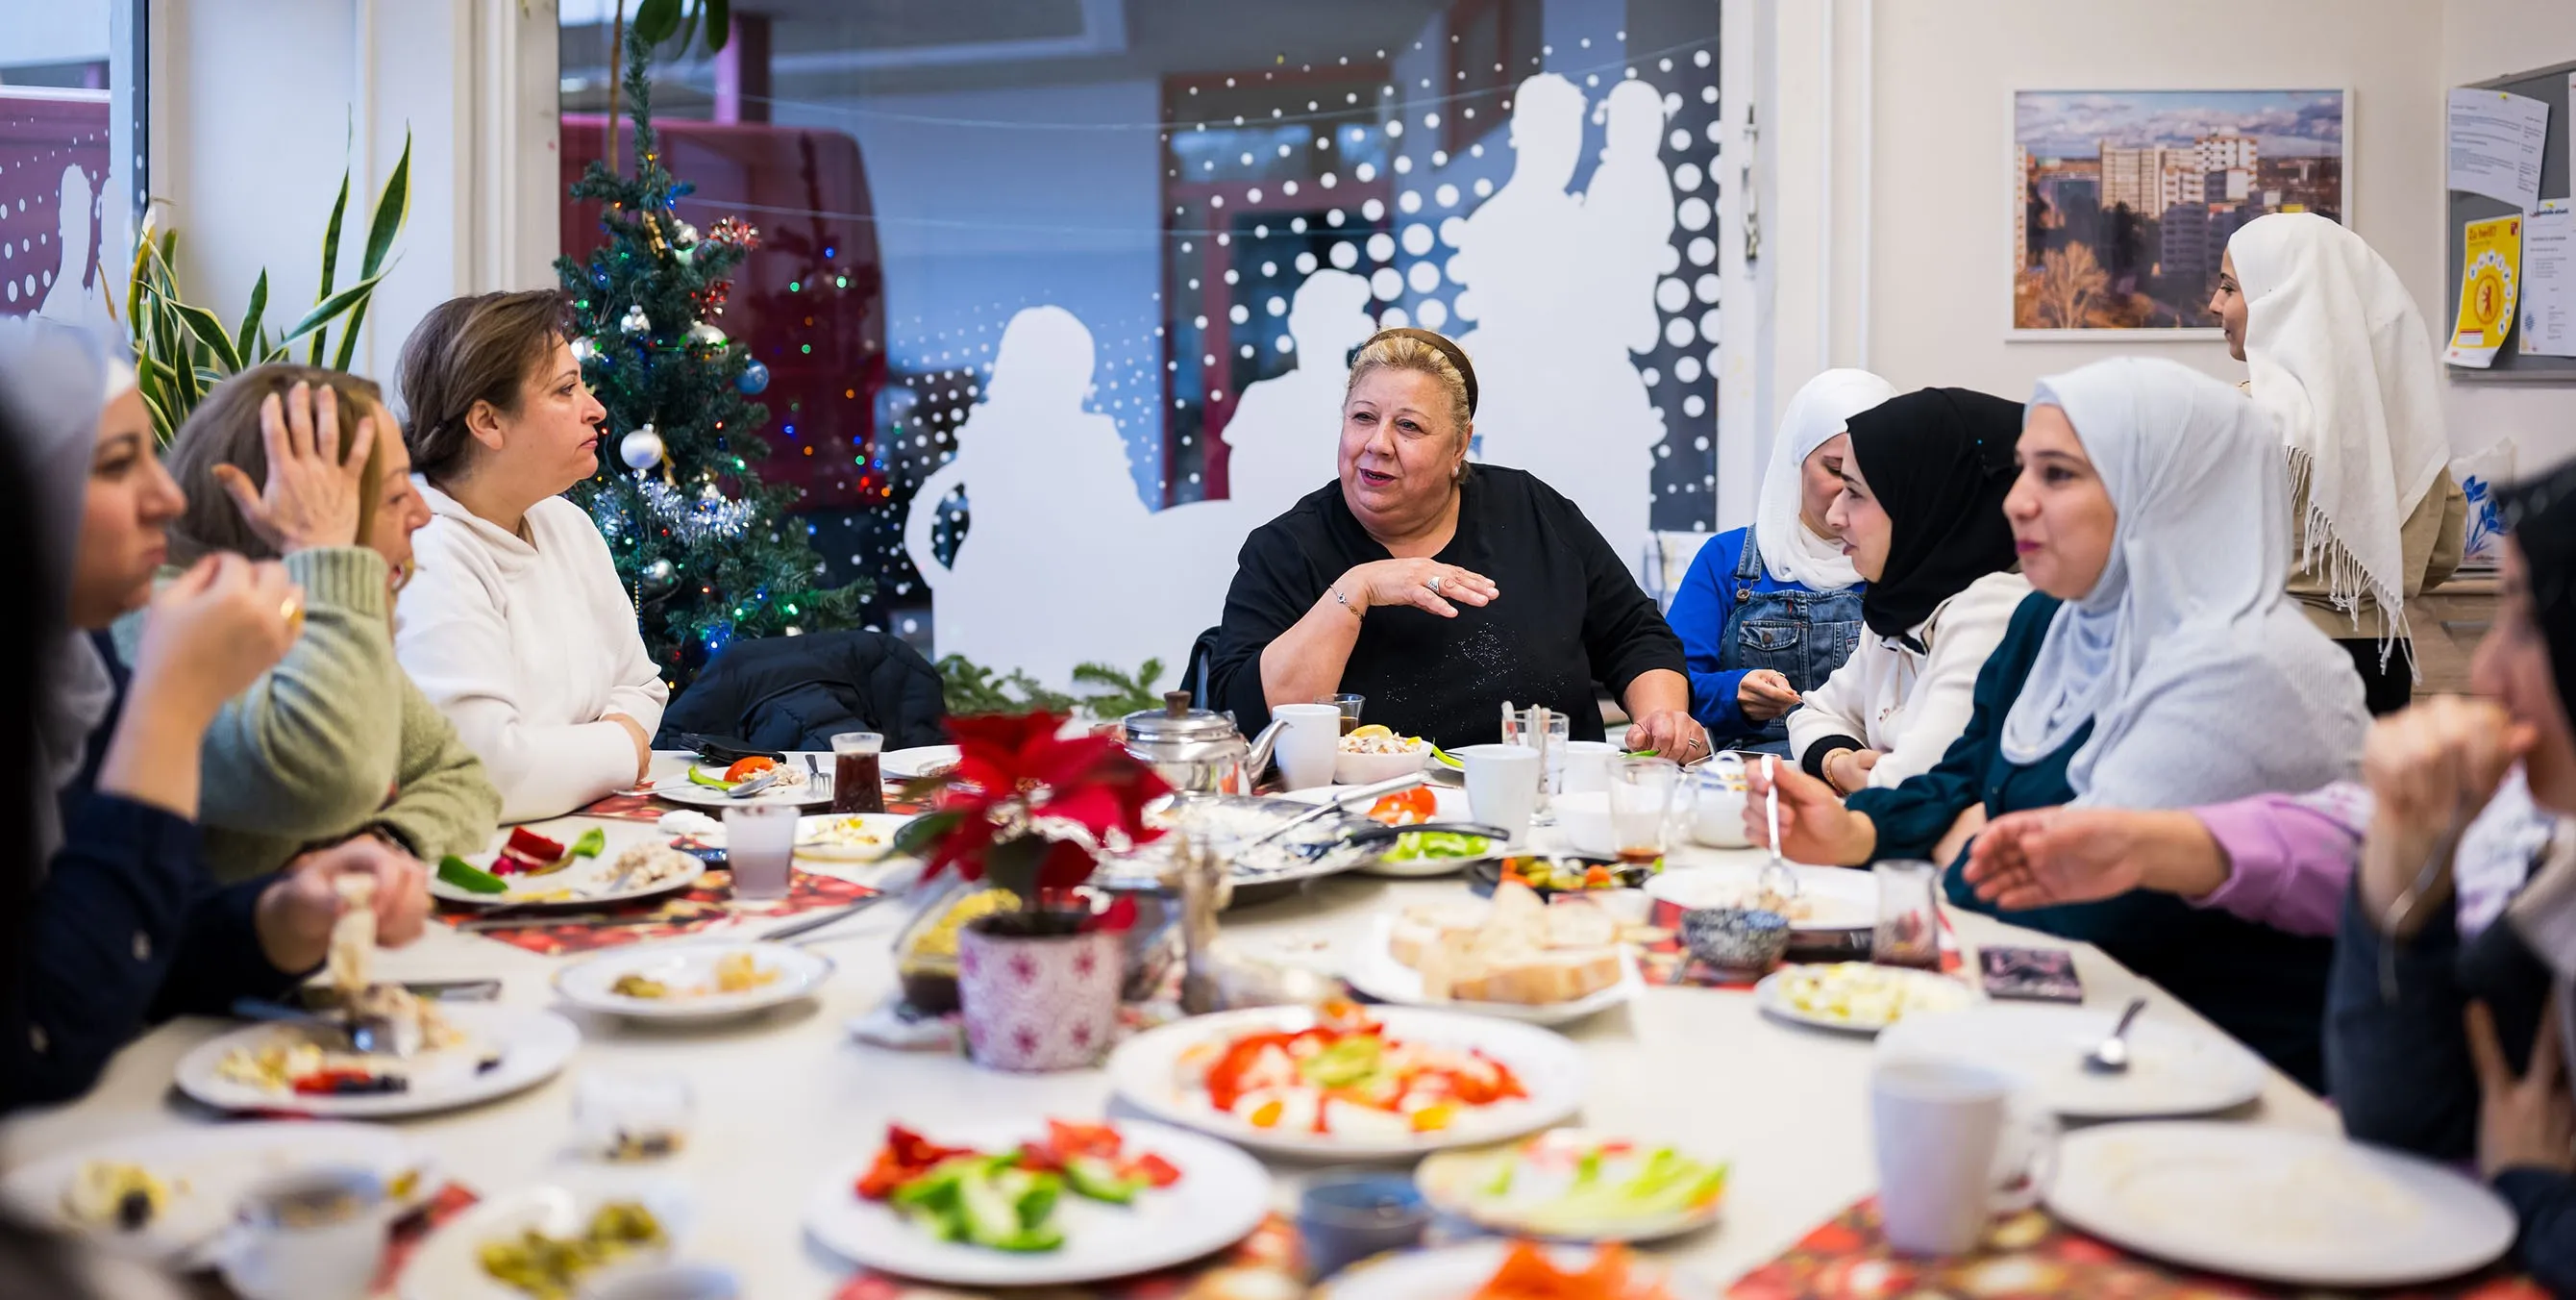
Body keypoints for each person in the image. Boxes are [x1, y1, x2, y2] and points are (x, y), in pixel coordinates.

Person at [1746, 358, 2369, 1087]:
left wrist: (1956, 844)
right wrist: (1859, 830)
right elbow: (1960, 773)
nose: (2015, 503)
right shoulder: (2056, 618)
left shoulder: (2246, 665)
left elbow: (2082, 903)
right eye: (2021, 472)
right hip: (2068, 1031)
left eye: (2059, 475)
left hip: (2220, 1079)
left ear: (2162, 491)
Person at [0, 319, 427, 1113]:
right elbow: (42, 1036)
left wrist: (282, 917)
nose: (167, 495)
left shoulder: (80, 664)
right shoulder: (143, 644)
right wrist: (169, 703)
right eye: (115, 465)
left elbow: (158, 933)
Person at [2309, 462, 2576, 1292]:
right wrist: (2406, 882)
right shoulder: (2556, 872)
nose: (2491, 677)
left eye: (2528, 624)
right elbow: (2405, 1119)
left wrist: (2535, 1195)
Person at [1205, 328, 1701, 756]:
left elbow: (1634, 634)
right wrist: (1357, 589)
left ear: (1459, 446)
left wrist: (1663, 719)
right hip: (1373, 821)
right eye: (1362, 418)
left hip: (1550, 803)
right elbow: (1247, 720)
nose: (1378, 443)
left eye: (1408, 426)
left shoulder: (1529, 509)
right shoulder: (1284, 549)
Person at [108, 366, 499, 882]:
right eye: (395, 493)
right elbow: (334, 780)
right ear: (292, 505)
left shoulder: (297, 607)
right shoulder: (158, 622)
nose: (423, 515)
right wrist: (327, 553)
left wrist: (381, 847)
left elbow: (462, 778)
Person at [391, 290, 667, 822]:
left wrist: (549, 760)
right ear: (488, 423)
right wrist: (623, 748)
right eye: (566, 390)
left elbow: (640, 686)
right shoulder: (425, 551)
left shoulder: (569, 526)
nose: (596, 408)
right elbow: (482, 777)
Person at [2212, 212, 2467, 714]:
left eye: (2228, 288)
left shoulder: (2239, 420)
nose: (2215, 304)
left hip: (2270, 659)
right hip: (2381, 658)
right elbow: (2442, 553)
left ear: (2281, 297)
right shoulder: (2401, 429)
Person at [1786, 388, 2033, 793]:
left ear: (1930, 499)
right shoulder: (1902, 604)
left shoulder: (1994, 612)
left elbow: (1913, 787)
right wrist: (1838, 762)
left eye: (1856, 493)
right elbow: (1811, 712)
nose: (1835, 515)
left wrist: (1863, 776)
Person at [1667, 369, 1895, 750]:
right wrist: (1734, 693)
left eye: (1872, 473)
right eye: (1836, 470)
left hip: (1865, 775)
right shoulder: (1728, 561)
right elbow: (1671, 681)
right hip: (1749, 775)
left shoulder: (1906, 566)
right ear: (1797, 460)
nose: (1851, 489)